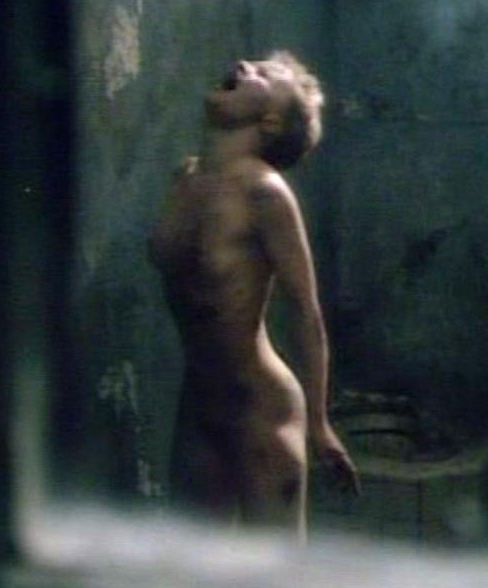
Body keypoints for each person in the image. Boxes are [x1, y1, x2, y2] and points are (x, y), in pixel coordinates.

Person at [149, 50, 360, 541]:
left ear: (269, 122)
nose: (245, 64)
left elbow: (306, 312)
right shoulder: (186, 179)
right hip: (198, 408)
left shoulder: (266, 194)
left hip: (260, 409)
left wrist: (319, 423)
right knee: (192, 565)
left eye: (263, 74)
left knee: (276, 567)